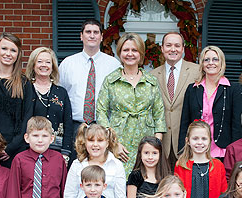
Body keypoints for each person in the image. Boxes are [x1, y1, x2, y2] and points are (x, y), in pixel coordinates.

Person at [96, 32, 166, 174]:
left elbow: (159, 115)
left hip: (146, 144)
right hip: (119, 142)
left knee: (144, 184)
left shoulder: (151, 82)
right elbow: (101, 111)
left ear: (140, 53)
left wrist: (155, 146)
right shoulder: (111, 80)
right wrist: (113, 144)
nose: (130, 54)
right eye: (126, 50)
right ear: (120, 53)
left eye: (134, 50)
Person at [58, 19, 121, 146]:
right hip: (75, 126)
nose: (92, 35)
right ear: (81, 36)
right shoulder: (67, 63)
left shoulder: (114, 65)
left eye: (96, 32)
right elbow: (60, 94)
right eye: (88, 32)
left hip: (103, 126)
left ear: (101, 37)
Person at [178, 46, 242, 159]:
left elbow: (237, 125)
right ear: (202, 64)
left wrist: (234, 153)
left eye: (215, 59)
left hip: (222, 151)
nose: (210, 63)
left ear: (221, 63)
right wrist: (182, 150)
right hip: (195, 150)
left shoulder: (233, 89)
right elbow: (185, 122)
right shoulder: (192, 89)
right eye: (206, 60)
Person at [150, 32, 200, 167]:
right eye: (168, 45)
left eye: (177, 45)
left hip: (187, 140)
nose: (173, 49)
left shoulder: (197, 71)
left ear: (183, 49)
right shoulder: (152, 75)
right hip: (162, 140)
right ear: (162, 48)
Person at [0, 33, 31, 167]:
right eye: (4, 49)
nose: (8, 53)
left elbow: (27, 117)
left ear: (17, 55)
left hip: (15, 149)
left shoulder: (24, 83)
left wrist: (9, 148)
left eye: (13, 50)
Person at [23, 47, 73, 160]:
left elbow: (68, 123)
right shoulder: (25, 89)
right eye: (39, 61)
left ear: (53, 66)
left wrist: (66, 152)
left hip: (57, 151)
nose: (44, 65)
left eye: (48, 62)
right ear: (33, 65)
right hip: (29, 151)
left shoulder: (61, 92)